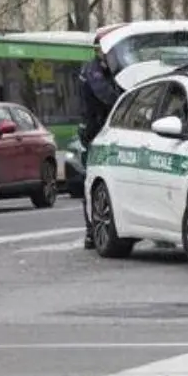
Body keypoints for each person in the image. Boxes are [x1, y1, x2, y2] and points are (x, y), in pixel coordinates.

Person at [78, 28, 123, 250]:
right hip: (95, 131)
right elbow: (106, 96)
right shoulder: (93, 70)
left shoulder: (113, 68)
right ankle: (92, 229)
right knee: (94, 180)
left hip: (108, 128)